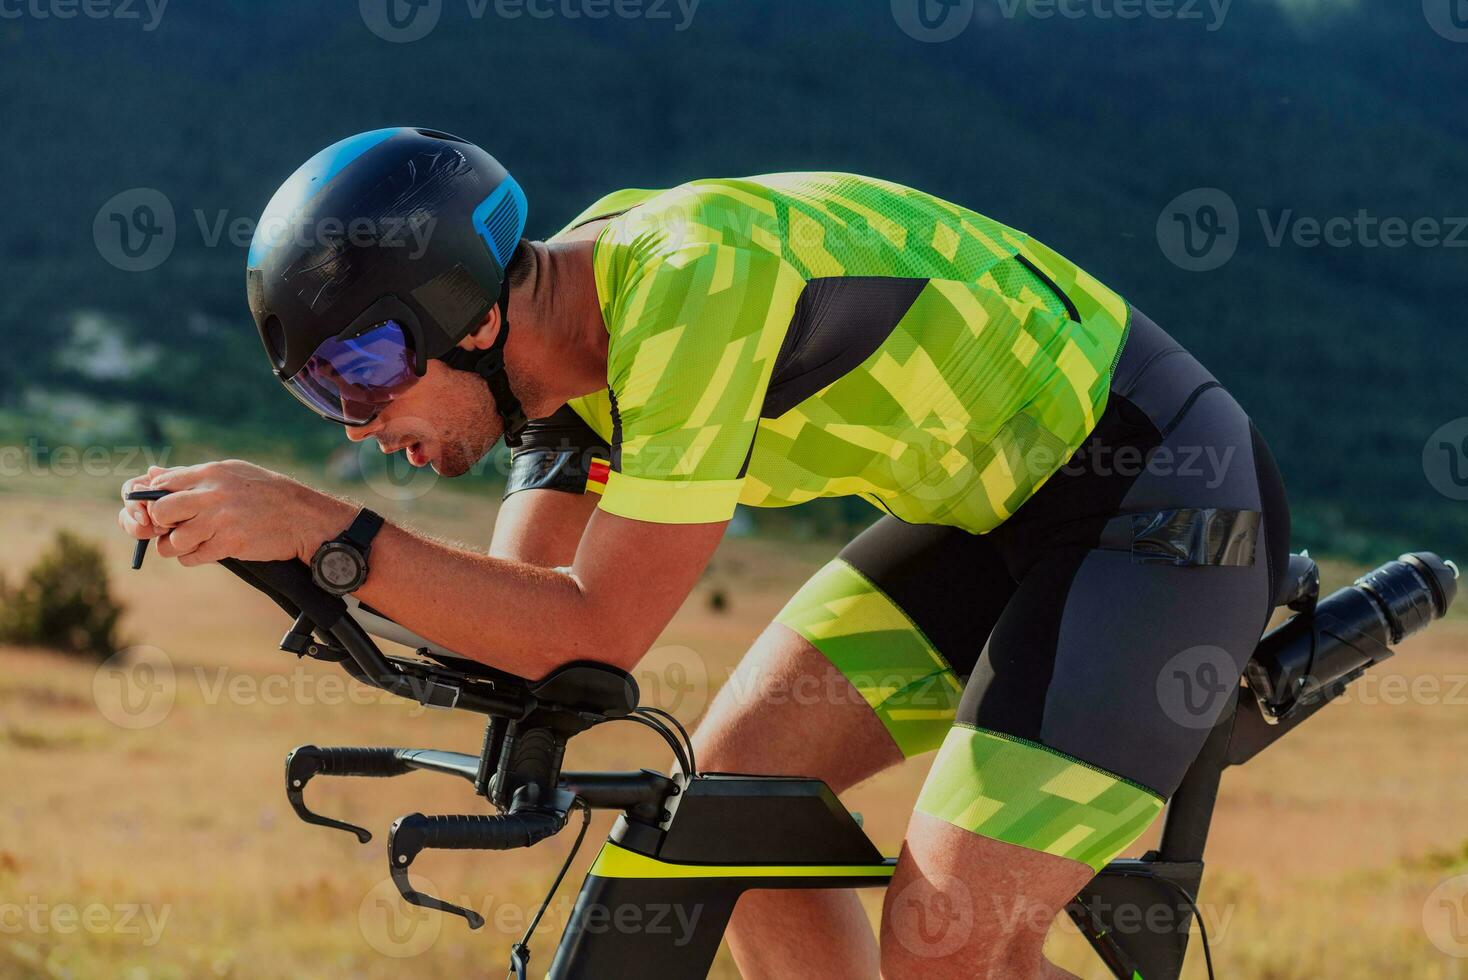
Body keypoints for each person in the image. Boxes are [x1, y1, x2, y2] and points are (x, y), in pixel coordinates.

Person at [119, 128, 1290, 979]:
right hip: (989, 517)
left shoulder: (687, 288)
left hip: (1153, 500)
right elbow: (529, 640)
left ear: (470, 317)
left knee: (948, 945)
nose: (359, 424)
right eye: (323, 391)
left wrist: (328, 526)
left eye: (363, 369)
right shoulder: (555, 364)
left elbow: (593, 626)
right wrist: (303, 565)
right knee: (736, 809)